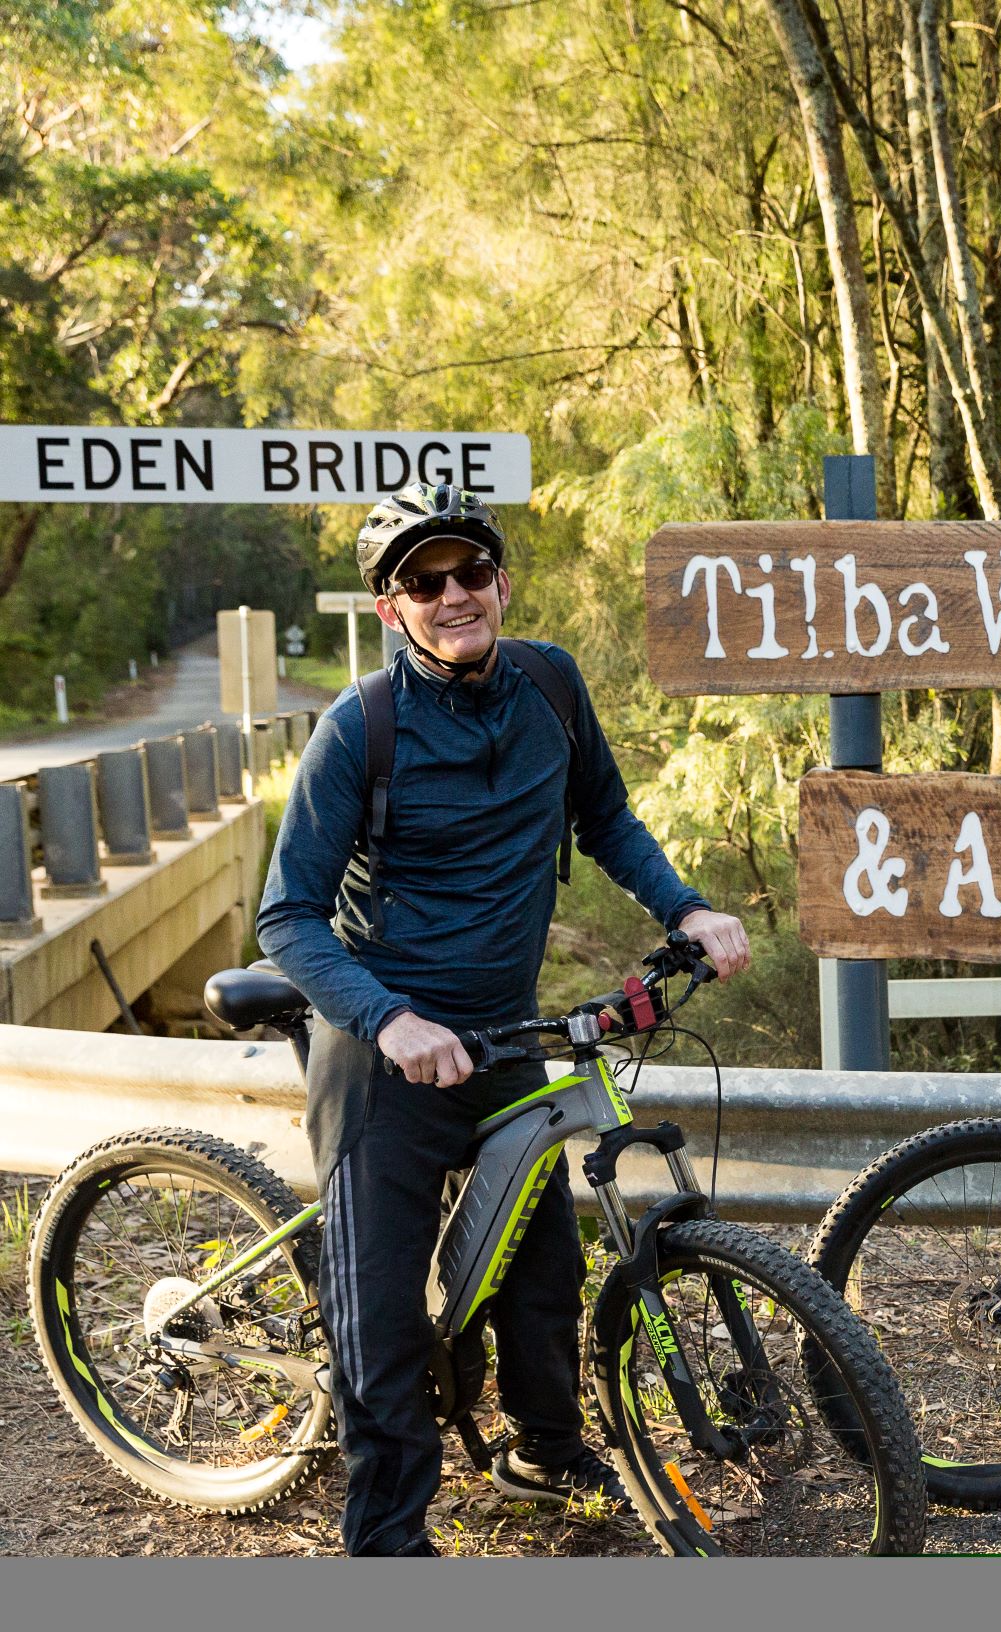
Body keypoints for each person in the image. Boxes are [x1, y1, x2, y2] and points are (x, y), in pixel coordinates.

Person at [258, 482, 752, 1556]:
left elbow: (605, 818)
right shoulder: (358, 730)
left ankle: (544, 1452)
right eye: (423, 583)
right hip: (383, 1049)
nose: (453, 595)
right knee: (379, 1315)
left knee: (543, 1271)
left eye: (469, 572)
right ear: (391, 609)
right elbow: (285, 917)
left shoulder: (550, 686)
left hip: (503, 1033)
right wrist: (387, 1019)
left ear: (502, 583)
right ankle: (387, 1543)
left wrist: (686, 907)